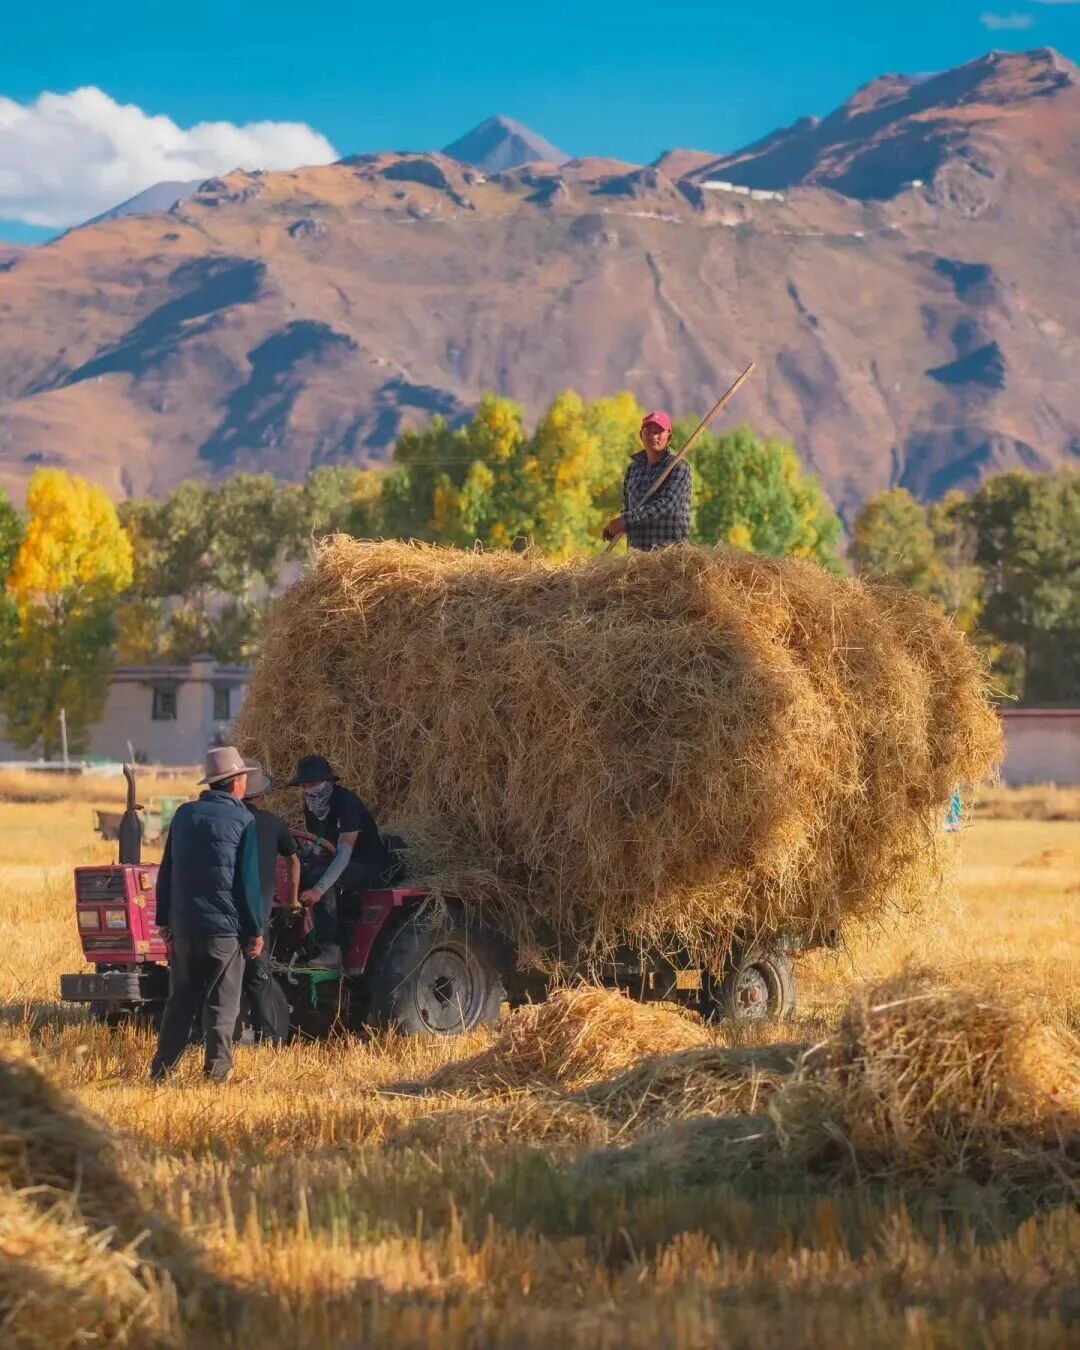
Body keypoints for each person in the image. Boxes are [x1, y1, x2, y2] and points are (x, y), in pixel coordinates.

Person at [150, 747, 263, 1082]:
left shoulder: (184, 815)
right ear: (236, 781)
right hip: (224, 931)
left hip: (185, 926)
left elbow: (167, 870)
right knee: (222, 1005)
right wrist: (255, 930)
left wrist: (164, 921)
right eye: (244, 777)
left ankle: (162, 1071)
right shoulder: (244, 821)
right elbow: (248, 883)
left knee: (180, 1003)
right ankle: (215, 1075)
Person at [289, 754, 386, 970]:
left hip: (366, 864)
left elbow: (344, 852)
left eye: (313, 784)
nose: (308, 790)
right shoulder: (311, 806)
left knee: (318, 878)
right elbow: (320, 844)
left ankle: (332, 949)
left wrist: (318, 889)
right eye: (304, 786)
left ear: (329, 782)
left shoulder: (346, 802)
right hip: (337, 859)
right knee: (301, 872)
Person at [241, 764, 300, 1045]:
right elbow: (294, 861)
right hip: (257, 914)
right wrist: (293, 901)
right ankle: (270, 1038)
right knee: (259, 976)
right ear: (262, 796)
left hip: (224, 914)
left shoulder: (227, 820)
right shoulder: (272, 823)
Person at [603, 410, 692, 551]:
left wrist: (625, 520)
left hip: (669, 554)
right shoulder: (633, 469)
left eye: (658, 432)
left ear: (668, 437)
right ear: (641, 435)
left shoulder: (678, 467)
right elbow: (627, 507)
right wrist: (616, 528)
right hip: (638, 555)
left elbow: (665, 505)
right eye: (648, 432)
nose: (652, 436)